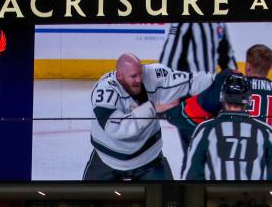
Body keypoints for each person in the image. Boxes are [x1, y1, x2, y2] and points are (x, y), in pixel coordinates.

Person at [85, 53, 214, 181]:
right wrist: (152, 109)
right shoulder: (104, 90)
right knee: (85, 200)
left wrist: (218, 80)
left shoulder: (153, 74)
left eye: (140, 73)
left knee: (171, 199)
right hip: (107, 160)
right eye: (133, 76)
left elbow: (188, 81)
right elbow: (117, 128)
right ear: (119, 76)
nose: (139, 79)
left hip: (148, 159)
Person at [182, 73, 272, 181]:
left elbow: (191, 175)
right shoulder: (265, 132)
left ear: (223, 98)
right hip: (254, 197)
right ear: (249, 100)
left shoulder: (205, 130)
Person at [159, 22, 236, 75]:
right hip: (189, 89)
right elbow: (168, 60)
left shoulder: (219, 23)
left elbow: (227, 57)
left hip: (210, 88)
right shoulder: (183, 22)